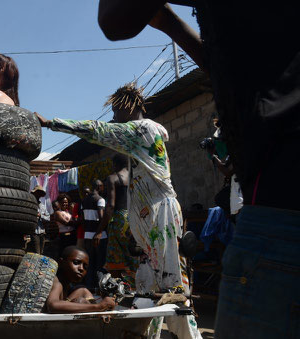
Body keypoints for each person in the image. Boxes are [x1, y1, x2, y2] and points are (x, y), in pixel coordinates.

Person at [97, 2, 300, 338]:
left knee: (169, 280)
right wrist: (171, 24)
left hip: (275, 204)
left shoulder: (145, 131)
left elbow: (114, 19)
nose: (116, 122)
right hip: (261, 200)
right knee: (156, 278)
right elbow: (226, 65)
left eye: (118, 115)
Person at [36, 82, 201, 338]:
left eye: (116, 111)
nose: (113, 117)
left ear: (128, 107)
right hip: (150, 219)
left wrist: (52, 123)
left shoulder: (143, 129)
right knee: (147, 286)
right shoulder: (146, 136)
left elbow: (98, 130)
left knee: (172, 287)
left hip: (161, 217)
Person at [99, 154, 140, 289]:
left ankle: (118, 288)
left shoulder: (113, 178)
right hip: (134, 219)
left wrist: (99, 230)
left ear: (115, 164)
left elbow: (110, 206)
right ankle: (136, 286)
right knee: (133, 254)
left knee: (115, 257)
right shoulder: (136, 178)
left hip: (119, 219)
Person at [45, 246, 116, 313]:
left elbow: (83, 291)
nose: (81, 268)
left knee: (83, 290)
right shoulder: (56, 282)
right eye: (76, 263)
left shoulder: (67, 284)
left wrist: (103, 306)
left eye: (85, 267)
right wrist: (98, 306)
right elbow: (53, 305)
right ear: (61, 262)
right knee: (81, 300)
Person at [80, 179, 107, 290]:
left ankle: (89, 286)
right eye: (102, 186)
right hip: (100, 235)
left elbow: (82, 219)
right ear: (99, 187)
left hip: (87, 235)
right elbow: (101, 217)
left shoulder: (84, 200)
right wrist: (100, 231)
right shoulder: (100, 200)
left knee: (90, 262)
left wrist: (87, 229)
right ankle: (100, 287)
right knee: (100, 263)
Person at [29, 185, 49, 254]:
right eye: (37, 193)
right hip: (34, 232)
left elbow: (48, 218)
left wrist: (41, 216)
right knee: (37, 252)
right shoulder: (30, 205)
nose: (38, 195)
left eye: (39, 193)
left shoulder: (42, 206)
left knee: (41, 252)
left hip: (42, 232)